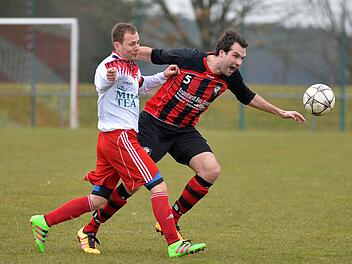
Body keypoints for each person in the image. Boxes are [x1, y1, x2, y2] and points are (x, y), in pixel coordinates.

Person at [79, 29, 306, 251]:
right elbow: (153, 54)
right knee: (132, 184)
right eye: (235, 56)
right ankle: (90, 228)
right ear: (221, 53)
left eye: (242, 58)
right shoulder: (189, 58)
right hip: (154, 125)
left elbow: (247, 96)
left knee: (211, 170)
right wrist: (125, 53)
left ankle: (170, 219)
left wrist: (281, 112)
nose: (238, 63)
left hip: (184, 131)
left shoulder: (231, 76)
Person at [29, 22, 206, 258]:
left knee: (99, 199)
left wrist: (164, 75)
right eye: (132, 44)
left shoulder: (131, 68)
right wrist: (109, 78)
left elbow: (141, 86)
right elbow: (102, 82)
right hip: (119, 137)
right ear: (117, 45)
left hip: (109, 140)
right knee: (157, 185)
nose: (137, 47)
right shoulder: (109, 66)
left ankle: (43, 221)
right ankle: (174, 242)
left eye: (138, 42)